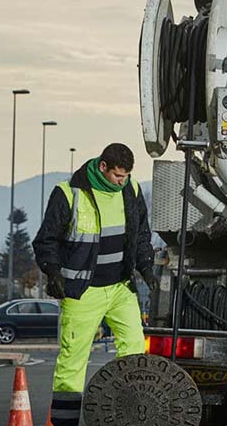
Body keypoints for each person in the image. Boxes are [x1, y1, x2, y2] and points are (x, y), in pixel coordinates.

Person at [33, 143, 155, 426]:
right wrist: (52, 272)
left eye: (125, 176)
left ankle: (128, 416)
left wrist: (146, 266)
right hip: (82, 293)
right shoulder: (69, 193)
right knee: (72, 362)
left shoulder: (131, 190)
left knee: (135, 348)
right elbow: (45, 240)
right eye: (117, 176)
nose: (121, 182)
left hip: (120, 288)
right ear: (103, 167)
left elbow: (141, 234)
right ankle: (65, 422)